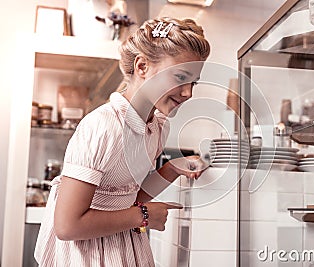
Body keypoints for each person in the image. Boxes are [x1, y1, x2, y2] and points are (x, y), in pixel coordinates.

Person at [34, 17, 210, 266]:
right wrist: (144, 216)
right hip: (84, 254)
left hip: (120, 245)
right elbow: (68, 226)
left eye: (193, 82)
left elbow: (126, 197)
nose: (188, 92)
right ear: (141, 66)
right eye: (180, 77)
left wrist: (171, 169)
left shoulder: (157, 127)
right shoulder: (102, 126)